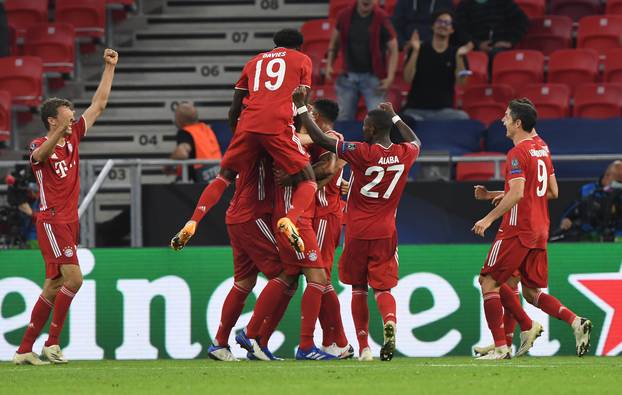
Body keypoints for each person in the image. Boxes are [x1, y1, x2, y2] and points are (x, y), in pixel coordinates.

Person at [293, 86, 421, 361]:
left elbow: (319, 138)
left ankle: (364, 348)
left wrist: (302, 107)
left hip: (356, 230)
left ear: (373, 130)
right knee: (383, 288)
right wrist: (396, 117)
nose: (362, 129)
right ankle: (389, 320)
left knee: (358, 287)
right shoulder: (405, 152)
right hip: (386, 231)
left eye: (365, 125)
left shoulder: (361, 152)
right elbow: (417, 142)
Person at [13, 49, 118, 365]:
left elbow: (98, 105)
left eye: (74, 116)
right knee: (74, 279)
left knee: (54, 284)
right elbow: (39, 158)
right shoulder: (38, 144)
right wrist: (60, 131)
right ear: (52, 121)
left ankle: (23, 351)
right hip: (52, 219)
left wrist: (109, 68)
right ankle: (53, 344)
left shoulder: (73, 139)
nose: (74, 119)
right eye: (68, 116)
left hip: (68, 220)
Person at [171, 28, 317, 255]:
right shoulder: (302, 60)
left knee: (223, 177)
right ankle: (290, 219)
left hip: (248, 123)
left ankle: (194, 220)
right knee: (309, 180)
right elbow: (300, 103)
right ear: (299, 46)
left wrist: (238, 133)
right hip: (278, 124)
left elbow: (234, 107)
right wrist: (294, 135)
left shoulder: (254, 62)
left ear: (274, 44)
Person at [472, 99, 592, 360]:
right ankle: (574, 322)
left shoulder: (517, 153)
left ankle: (503, 345)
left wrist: (488, 218)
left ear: (518, 123)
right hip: (539, 229)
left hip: (517, 228)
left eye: (506, 117)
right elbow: (551, 191)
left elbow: (516, 194)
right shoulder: (542, 148)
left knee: (489, 282)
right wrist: (493, 194)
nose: (502, 120)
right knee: (528, 291)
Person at [205, 155, 285, 361]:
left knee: (244, 282)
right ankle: (252, 335)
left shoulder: (244, 140)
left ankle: (219, 343)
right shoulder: (262, 136)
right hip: (253, 214)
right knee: (287, 271)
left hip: (237, 214)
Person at [325, 0, 399, 121]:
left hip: (373, 78)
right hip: (348, 77)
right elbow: (335, 41)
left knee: (378, 119)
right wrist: (329, 64)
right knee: (343, 118)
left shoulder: (381, 18)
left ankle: (377, 141)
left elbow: (394, 47)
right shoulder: (344, 15)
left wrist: (390, 77)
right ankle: (343, 140)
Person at [401, 9, 471, 121]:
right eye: (439, 21)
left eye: (447, 23)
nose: (443, 25)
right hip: (415, 111)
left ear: (452, 29)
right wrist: (415, 52)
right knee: (401, 120)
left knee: (463, 118)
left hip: (444, 112)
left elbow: (462, 83)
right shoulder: (418, 48)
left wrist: (459, 58)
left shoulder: (457, 53)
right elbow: (407, 79)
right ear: (432, 26)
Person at [455, 0, 528, 73]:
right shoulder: (464, 5)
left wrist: (510, 41)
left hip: (500, 49)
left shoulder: (504, 2)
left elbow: (522, 21)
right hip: (474, 50)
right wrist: (478, 44)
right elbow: (460, 31)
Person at [170, 102, 222, 183]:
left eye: (175, 117)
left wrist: (168, 164)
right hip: (218, 175)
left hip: (201, 182)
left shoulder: (185, 132)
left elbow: (182, 153)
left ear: (179, 119)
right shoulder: (207, 129)